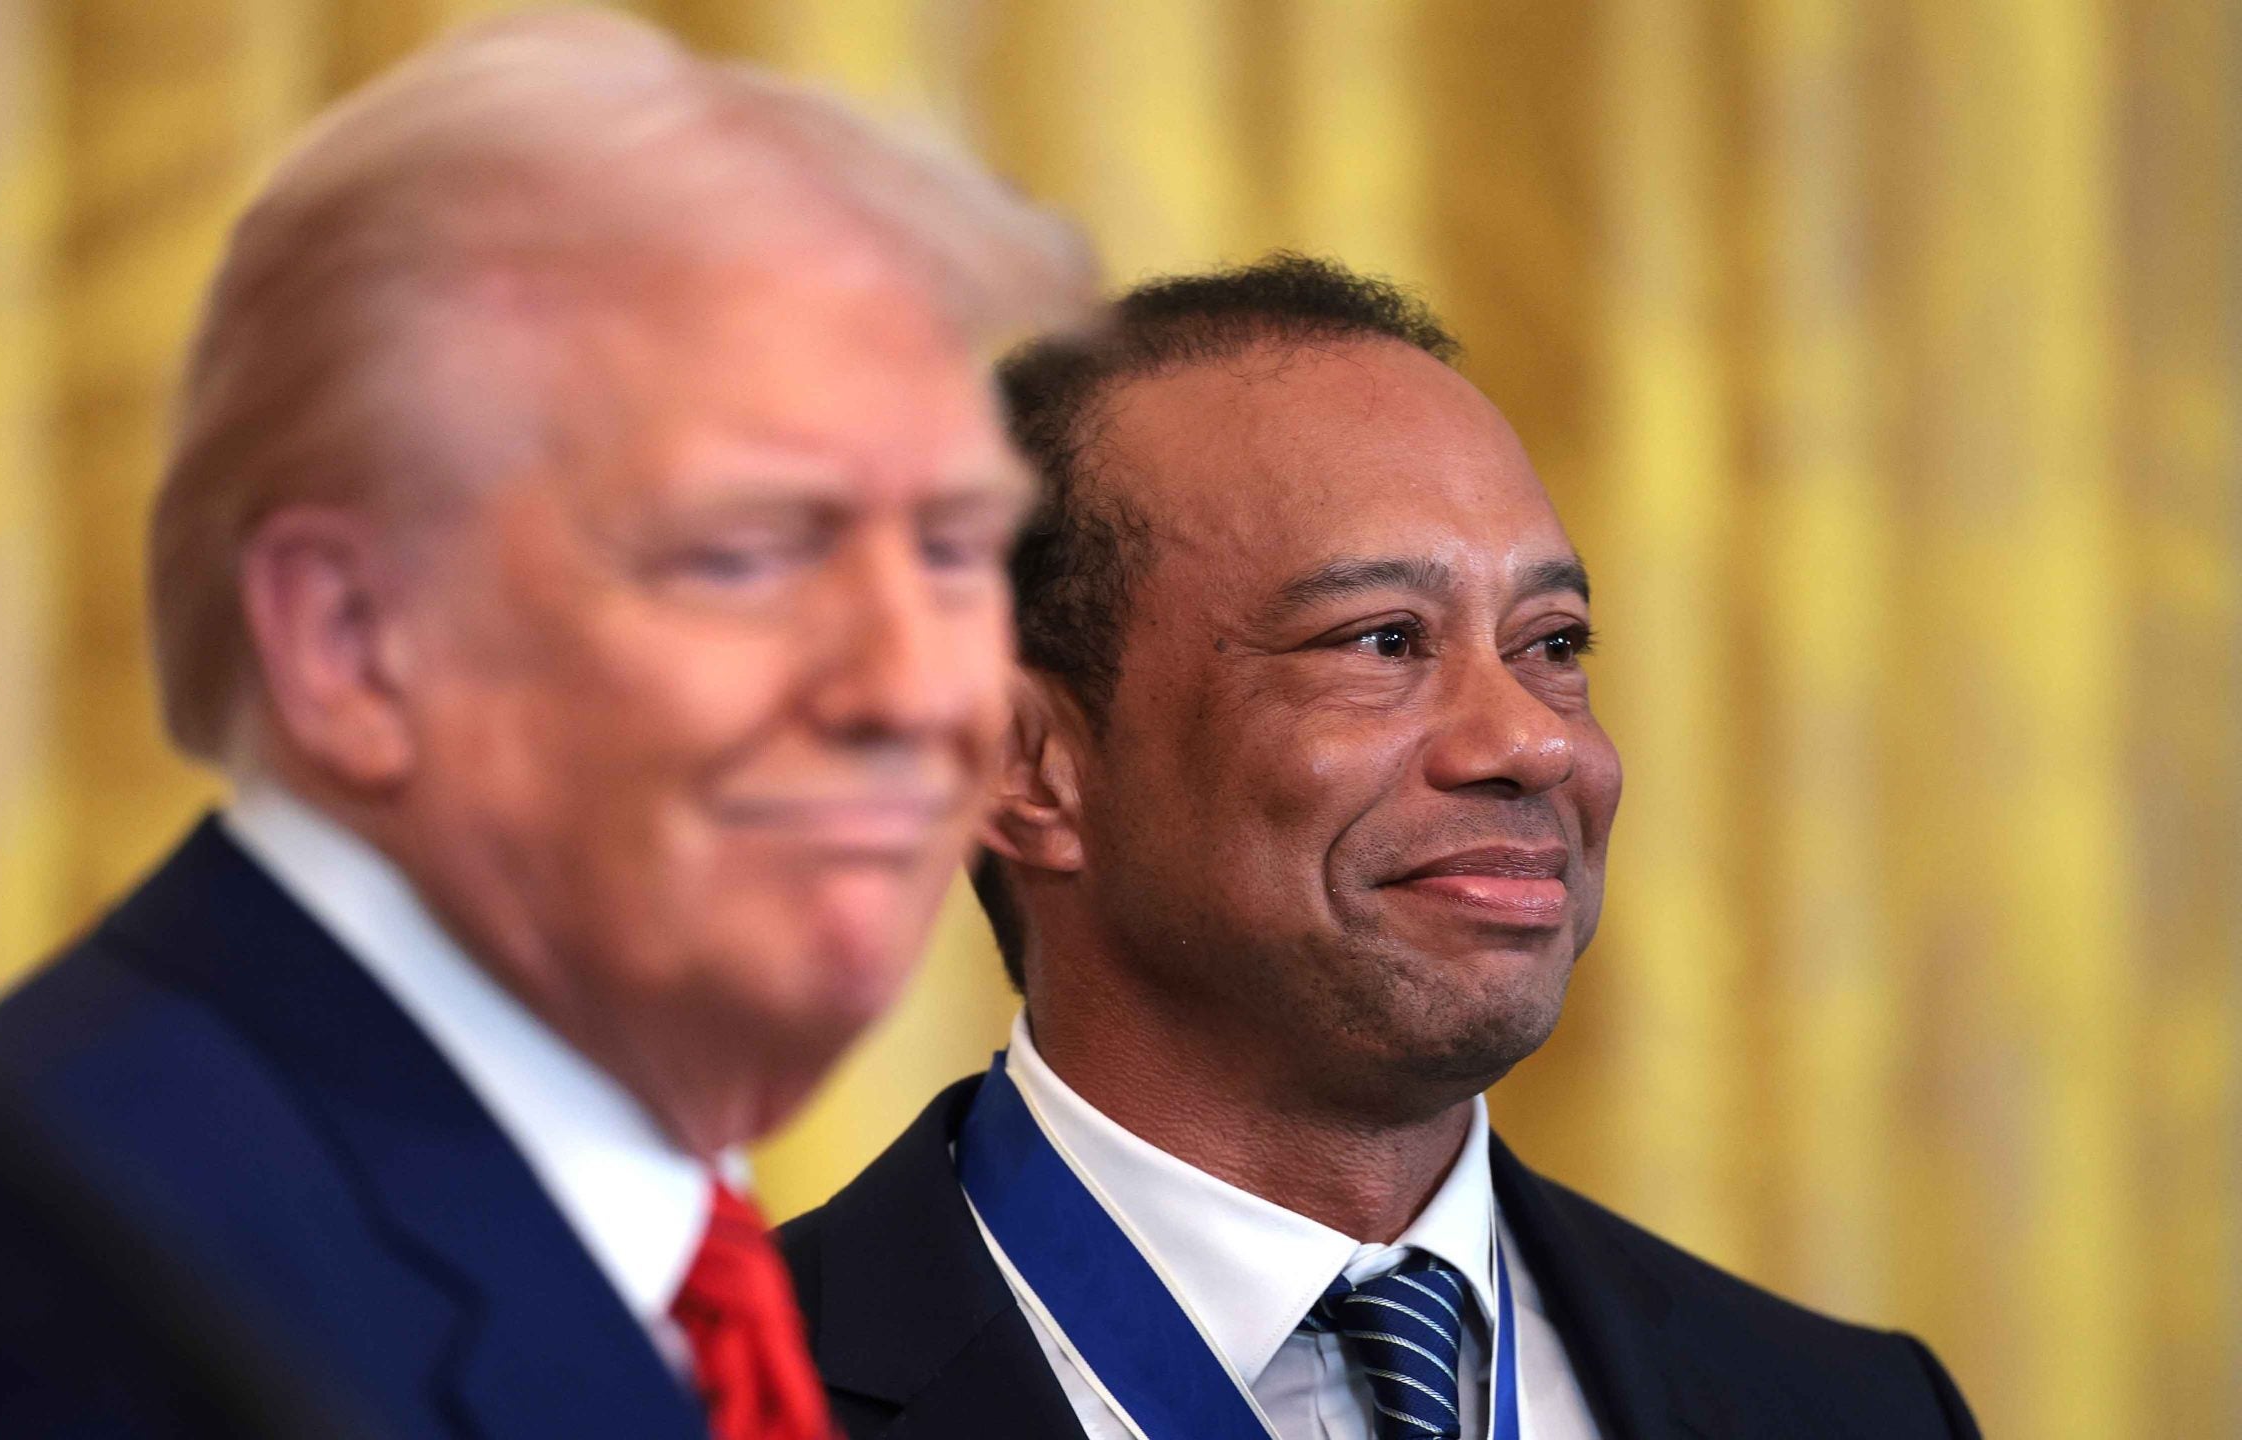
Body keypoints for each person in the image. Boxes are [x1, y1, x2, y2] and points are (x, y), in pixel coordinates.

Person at [0, 11, 1090, 1438]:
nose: (914, 687)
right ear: (353, 644)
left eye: (953, 550)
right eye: (745, 553)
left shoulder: (640, 1243)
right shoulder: (54, 1316)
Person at [777, 256, 1980, 1440]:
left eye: (1552, 644)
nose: (1532, 742)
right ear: (1022, 765)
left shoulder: (1852, 1409)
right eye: (1381, 640)